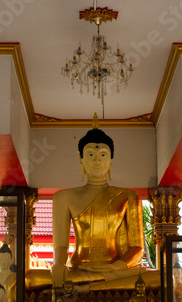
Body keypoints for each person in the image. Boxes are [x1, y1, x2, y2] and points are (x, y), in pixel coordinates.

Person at [29, 122, 157, 290]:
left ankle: (89, 287)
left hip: (116, 271)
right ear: (80, 159)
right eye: (90, 154)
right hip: (78, 269)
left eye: (103, 155)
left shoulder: (129, 197)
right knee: (29, 278)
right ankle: (96, 286)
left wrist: (114, 267)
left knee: (160, 278)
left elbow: (138, 248)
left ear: (111, 161)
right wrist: (59, 264)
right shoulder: (64, 197)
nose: (97, 160)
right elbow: (61, 245)